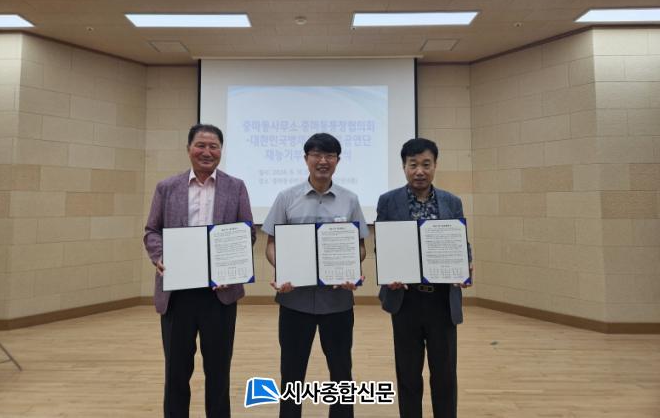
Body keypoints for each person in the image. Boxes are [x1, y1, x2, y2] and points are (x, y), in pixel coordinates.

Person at [144, 123, 255, 418]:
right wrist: (160, 256)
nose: (207, 152)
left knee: (218, 370)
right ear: (189, 149)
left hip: (220, 295)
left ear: (221, 151)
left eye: (213, 146)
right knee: (176, 371)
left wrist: (230, 268)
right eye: (201, 145)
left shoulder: (236, 186)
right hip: (177, 294)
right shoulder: (167, 187)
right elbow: (152, 231)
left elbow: (247, 233)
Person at [262, 133, 369, 418]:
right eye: (317, 155)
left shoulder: (350, 200)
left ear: (337, 160)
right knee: (292, 371)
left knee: (341, 371)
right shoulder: (286, 198)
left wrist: (352, 268)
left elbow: (360, 247)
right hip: (294, 301)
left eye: (329, 155)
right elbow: (271, 244)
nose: (323, 161)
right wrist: (282, 268)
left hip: (337, 302)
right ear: (306, 158)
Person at [377, 138, 473, 418]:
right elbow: (383, 244)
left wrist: (465, 265)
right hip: (405, 299)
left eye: (426, 164)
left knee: (445, 372)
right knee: (408, 372)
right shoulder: (388, 201)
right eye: (413, 164)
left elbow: (461, 243)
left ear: (435, 166)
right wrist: (389, 272)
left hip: (442, 300)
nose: (419, 171)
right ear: (404, 167)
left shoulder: (452, 201)